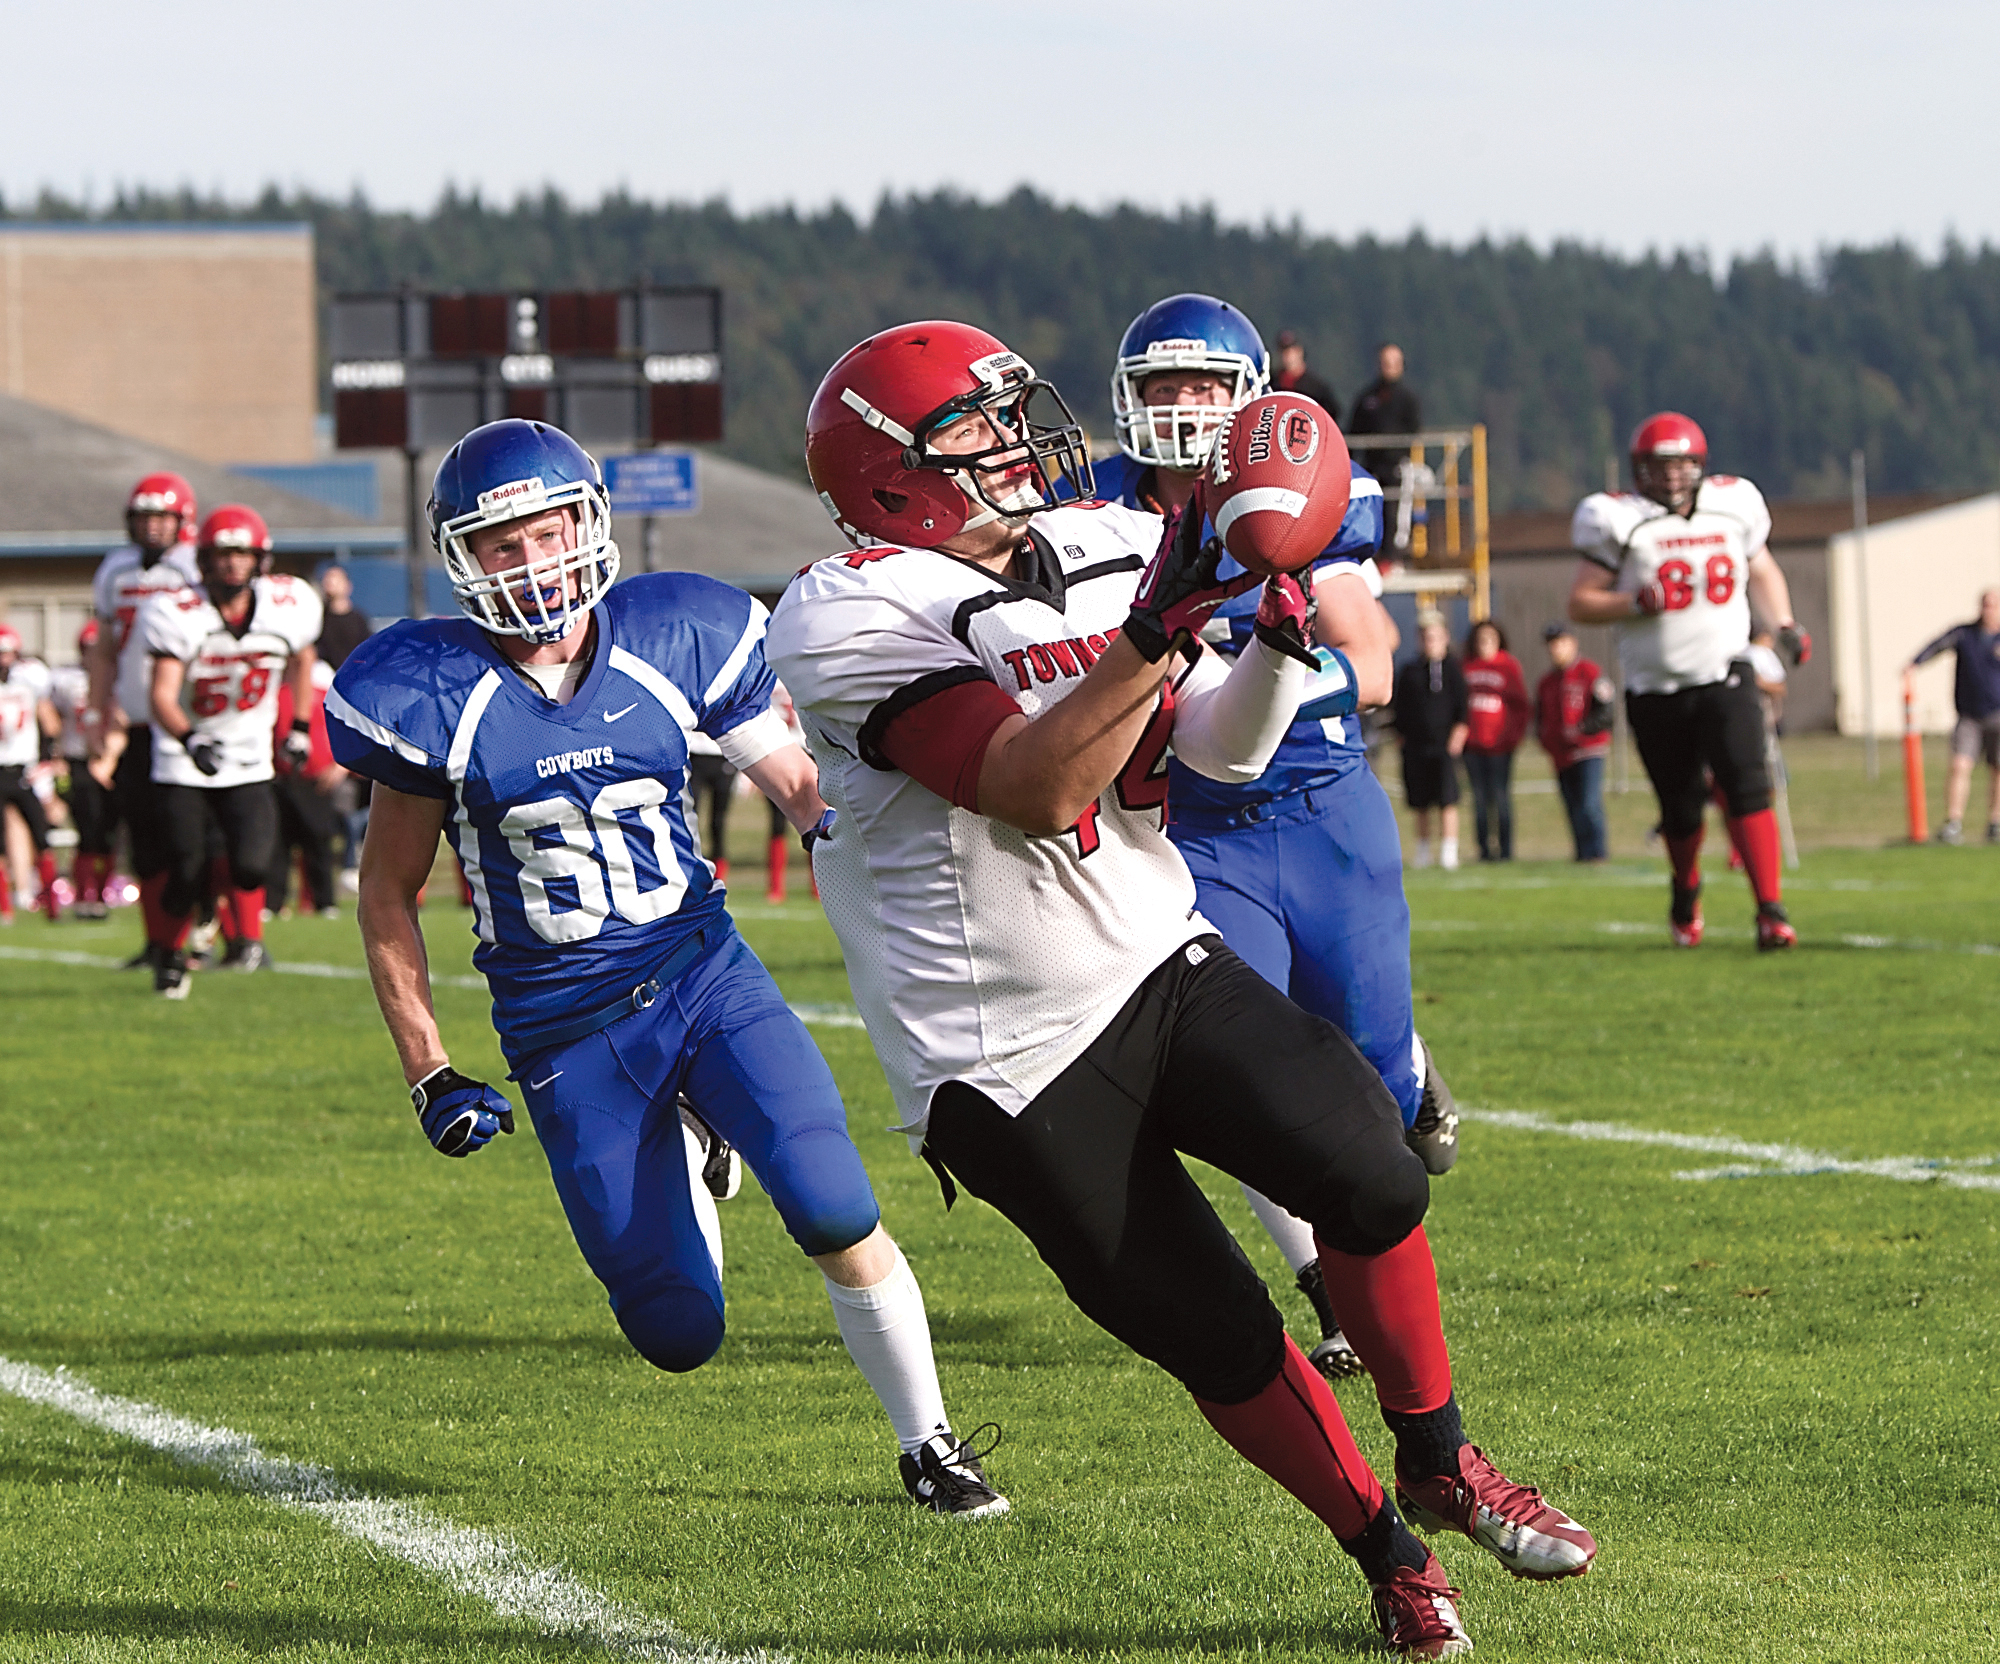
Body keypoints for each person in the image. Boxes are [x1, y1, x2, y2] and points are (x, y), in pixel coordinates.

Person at [772, 321, 1596, 1660]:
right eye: (978, 429)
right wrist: (1163, 621)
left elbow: (1214, 753)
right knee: (1215, 1328)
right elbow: (1035, 789)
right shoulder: (848, 606)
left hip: (1155, 951)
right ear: (892, 475)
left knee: (1374, 1171)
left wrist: (1268, 638)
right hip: (1003, 1058)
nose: (1018, 441)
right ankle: (1383, 1550)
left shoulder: (1099, 541)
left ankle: (1442, 1460)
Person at [326, 417, 1005, 1519]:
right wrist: (430, 1068)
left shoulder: (670, 633)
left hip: (701, 972)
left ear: (589, 526)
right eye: (502, 544)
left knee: (832, 1202)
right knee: (677, 1332)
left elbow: (787, 777)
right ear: (462, 559)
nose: (534, 562)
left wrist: (838, 827)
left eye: (547, 532)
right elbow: (384, 892)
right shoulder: (427, 692)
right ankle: (692, 1141)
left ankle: (927, 1441)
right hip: (565, 1029)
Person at [1095, 293, 1461, 1386]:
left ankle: (1410, 1077)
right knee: (1250, 1078)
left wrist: (1243, 692)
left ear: (1248, 397)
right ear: (1131, 400)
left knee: (1376, 1099)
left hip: (1318, 809)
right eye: (1165, 386)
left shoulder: (1303, 492)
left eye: (1206, 385)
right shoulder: (1095, 516)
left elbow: (1378, 661)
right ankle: (1333, 1293)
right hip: (1192, 828)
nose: (1185, 406)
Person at [1568, 412, 1808, 949]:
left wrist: (1785, 624)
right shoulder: (1619, 519)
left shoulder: (1734, 505)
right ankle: (1686, 886)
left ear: (1701, 465)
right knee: (1679, 807)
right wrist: (1633, 602)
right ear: (1639, 470)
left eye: (1682, 465)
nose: (1672, 477)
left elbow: (1762, 568)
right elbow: (1581, 602)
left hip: (1726, 673)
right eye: (1659, 467)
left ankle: (1771, 910)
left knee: (1748, 788)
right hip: (1655, 687)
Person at [138, 507, 321, 993]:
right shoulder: (177, 612)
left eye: (241, 553)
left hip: (249, 756)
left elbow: (304, 659)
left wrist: (299, 726)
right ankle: (172, 955)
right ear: (203, 560)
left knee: (251, 865)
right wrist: (189, 738)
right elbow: (161, 694)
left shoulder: (289, 605)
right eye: (222, 554)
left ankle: (211, 915)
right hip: (184, 757)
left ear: (260, 559)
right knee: (184, 865)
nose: (232, 565)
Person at [88, 474, 204, 956]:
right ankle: (159, 941)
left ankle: (215, 932)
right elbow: (105, 648)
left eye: (162, 517)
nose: (153, 527)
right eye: (144, 517)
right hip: (137, 724)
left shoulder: (197, 567)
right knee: (146, 842)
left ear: (184, 520)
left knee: (197, 839)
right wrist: (98, 711)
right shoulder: (116, 570)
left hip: (187, 724)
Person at [1910, 589, 2000, 845]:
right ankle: (1954, 822)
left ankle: (1995, 822)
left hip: (1998, 713)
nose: (1988, 609)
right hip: (1969, 715)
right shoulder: (1965, 634)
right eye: (1985, 604)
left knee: (1997, 770)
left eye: (1994, 605)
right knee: (1960, 765)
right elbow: (1937, 645)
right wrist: (1914, 663)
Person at [1391, 612, 1467, 871]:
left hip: (1445, 745)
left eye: (1435, 636)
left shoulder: (1454, 669)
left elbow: (1462, 708)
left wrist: (1458, 736)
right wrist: (1401, 737)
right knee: (1420, 801)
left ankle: (1449, 851)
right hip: (1415, 746)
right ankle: (1423, 850)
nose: (1430, 641)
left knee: (1447, 800)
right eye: (1425, 636)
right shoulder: (1409, 671)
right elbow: (1398, 708)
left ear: (1445, 637)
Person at [267, 659, 343, 917]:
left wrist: (340, 767)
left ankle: (325, 901)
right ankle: (274, 903)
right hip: (282, 778)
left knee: (319, 841)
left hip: (317, 778)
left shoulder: (323, 689)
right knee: (278, 844)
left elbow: (342, 727)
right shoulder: (276, 691)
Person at [50, 621, 116, 917]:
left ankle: (101, 894)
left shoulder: (117, 676)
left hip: (112, 762)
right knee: (86, 831)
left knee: (109, 832)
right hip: (78, 760)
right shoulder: (65, 679)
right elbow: (50, 715)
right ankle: (83, 895)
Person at [1534, 623, 1612, 862]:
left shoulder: (1589, 672)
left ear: (1572, 643)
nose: (1556, 649)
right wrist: (1546, 739)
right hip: (1561, 754)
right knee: (1573, 807)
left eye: (1561, 643)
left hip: (1589, 750)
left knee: (1589, 803)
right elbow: (1540, 718)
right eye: (1552, 645)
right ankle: (1582, 854)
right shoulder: (1547, 682)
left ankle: (1597, 852)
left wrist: (1583, 730)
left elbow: (1606, 713)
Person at [0, 623, 61, 923]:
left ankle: (52, 904)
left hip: (25, 770)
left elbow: (49, 723)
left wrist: (48, 758)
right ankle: (5, 907)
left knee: (43, 835)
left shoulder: (30, 680)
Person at [1460, 621, 1530, 862]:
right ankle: (1484, 850)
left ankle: (1506, 850)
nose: (1485, 644)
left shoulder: (1507, 667)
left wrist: (1512, 737)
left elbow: (1521, 706)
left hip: (1501, 747)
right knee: (1479, 800)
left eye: (1490, 638)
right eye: (1480, 639)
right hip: (1473, 746)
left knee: (1500, 798)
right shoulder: (1466, 667)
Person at [1346, 344, 1422, 491]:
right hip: (1370, 466)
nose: (1389, 367)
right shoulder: (1367, 397)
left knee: (1395, 510)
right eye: (1386, 362)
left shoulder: (1408, 399)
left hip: (1397, 466)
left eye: (1394, 363)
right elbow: (1355, 428)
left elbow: (1414, 429)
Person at [315, 564, 374, 670]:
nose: (330, 582)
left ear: (348, 585)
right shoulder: (318, 619)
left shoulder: (358, 619)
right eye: (327, 579)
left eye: (336, 578)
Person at [1272, 329, 1339, 419]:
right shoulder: (1272, 382)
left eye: (1291, 351)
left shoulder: (1315, 387)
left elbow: (1332, 412)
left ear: (1300, 351)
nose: (1287, 356)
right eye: (1283, 351)